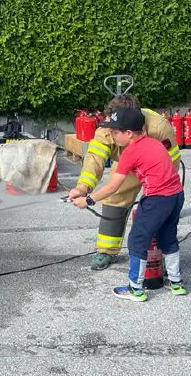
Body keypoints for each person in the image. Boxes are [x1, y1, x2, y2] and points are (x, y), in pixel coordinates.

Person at [72, 107, 186, 301]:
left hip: (157, 199)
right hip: (176, 195)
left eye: (116, 132)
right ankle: (176, 284)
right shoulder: (154, 142)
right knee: (168, 238)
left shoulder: (131, 152)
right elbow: (167, 166)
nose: (112, 135)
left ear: (128, 133)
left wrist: (88, 200)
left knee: (137, 241)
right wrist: (83, 186)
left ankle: (135, 289)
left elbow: (112, 188)